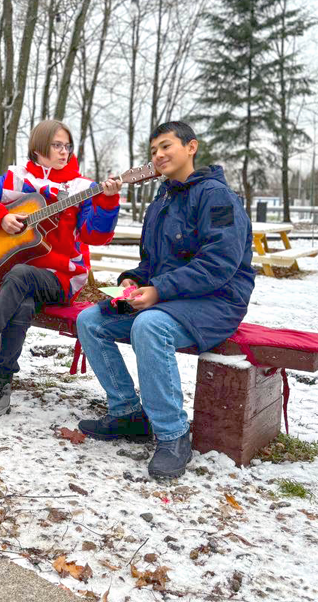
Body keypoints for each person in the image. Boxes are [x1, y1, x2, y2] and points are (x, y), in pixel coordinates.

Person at [75, 120, 255, 479]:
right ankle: (128, 413)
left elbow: (220, 264)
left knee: (150, 325)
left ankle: (173, 434)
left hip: (217, 302)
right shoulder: (161, 201)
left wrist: (159, 291)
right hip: (171, 299)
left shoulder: (216, 197)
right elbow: (152, 262)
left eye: (166, 146)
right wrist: (133, 281)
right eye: (153, 150)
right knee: (90, 320)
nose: (158, 155)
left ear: (191, 148)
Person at [0, 118, 122, 424]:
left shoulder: (82, 188)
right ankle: (0, 388)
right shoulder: (16, 178)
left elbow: (95, 236)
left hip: (62, 278)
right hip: (17, 279)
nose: (64, 152)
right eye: (57, 145)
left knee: (20, 277)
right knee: (20, 297)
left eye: (68, 146)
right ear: (39, 149)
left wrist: (108, 200)